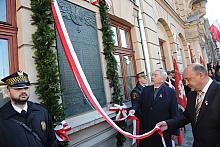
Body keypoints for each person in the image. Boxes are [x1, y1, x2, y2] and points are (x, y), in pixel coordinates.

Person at [157, 63, 220, 147]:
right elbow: (186, 116)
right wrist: (168, 124)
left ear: (200, 75)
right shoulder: (192, 94)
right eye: (184, 80)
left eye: (188, 79)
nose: (186, 83)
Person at [0, 71, 57, 147]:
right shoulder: (2, 118)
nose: (23, 91)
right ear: (8, 91)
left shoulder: (41, 112)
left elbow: (52, 141)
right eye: (18, 88)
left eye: (26, 88)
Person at [131, 69, 179, 147]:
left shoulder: (170, 92)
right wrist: (133, 109)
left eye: (155, 75)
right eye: (152, 75)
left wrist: (175, 132)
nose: (152, 77)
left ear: (163, 78)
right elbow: (137, 101)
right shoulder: (146, 89)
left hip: (162, 128)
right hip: (146, 128)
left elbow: (174, 112)